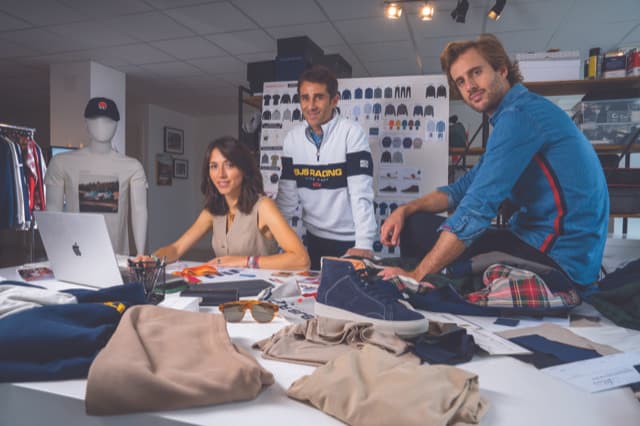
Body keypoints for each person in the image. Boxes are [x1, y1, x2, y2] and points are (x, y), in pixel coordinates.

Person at [379, 34, 609, 289]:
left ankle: (421, 287)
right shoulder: (515, 115)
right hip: (542, 242)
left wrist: (416, 274)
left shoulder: (519, 117)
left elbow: (477, 208)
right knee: (416, 221)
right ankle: (433, 279)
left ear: (501, 70)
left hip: (559, 259)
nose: (469, 86)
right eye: (461, 81)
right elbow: (460, 189)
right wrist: (406, 209)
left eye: (476, 72)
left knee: (431, 243)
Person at [150, 136, 309, 270]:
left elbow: (301, 260)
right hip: (224, 291)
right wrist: (151, 260)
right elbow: (176, 249)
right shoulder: (212, 211)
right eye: (214, 166)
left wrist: (245, 261)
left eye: (230, 165)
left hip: (260, 296)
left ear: (244, 170)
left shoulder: (264, 207)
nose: (221, 175)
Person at [277, 65, 377, 270]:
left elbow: (361, 193)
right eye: (305, 97)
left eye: (319, 97)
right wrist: (277, 244)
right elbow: (287, 199)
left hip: (350, 241)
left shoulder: (351, 132)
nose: (311, 105)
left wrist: (364, 244)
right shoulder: (292, 140)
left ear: (334, 100)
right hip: (313, 238)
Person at [45, 97, 147, 255]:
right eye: (95, 120)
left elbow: (139, 211)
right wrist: (54, 254)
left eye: (108, 121)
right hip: (75, 256)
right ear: (86, 123)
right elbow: (52, 212)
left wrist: (141, 253)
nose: (101, 126)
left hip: (116, 258)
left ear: (116, 125)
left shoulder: (132, 167)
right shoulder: (62, 163)